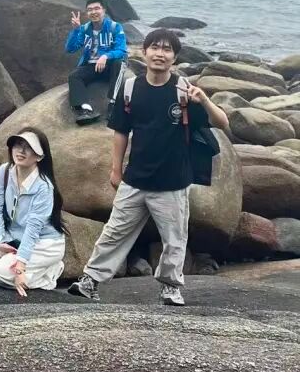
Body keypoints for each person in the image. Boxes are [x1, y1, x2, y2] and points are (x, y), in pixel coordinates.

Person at [68, 29, 229, 307]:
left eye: (167, 49)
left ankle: (170, 287)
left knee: (174, 239)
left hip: (172, 182)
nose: (160, 54)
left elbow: (222, 123)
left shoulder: (183, 91)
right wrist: (115, 169)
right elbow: (121, 131)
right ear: (144, 52)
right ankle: (90, 281)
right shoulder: (131, 88)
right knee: (114, 232)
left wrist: (204, 99)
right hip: (135, 179)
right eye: (155, 47)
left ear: (174, 58)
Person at [0, 128, 67, 296]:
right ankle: (10, 270)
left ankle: (48, 274)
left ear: (39, 156)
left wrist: (20, 266)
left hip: (42, 244)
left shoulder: (43, 187)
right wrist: (0, 239)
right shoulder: (5, 171)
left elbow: (33, 229)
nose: (21, 151)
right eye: (18, 145)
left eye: (29, 147)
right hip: (14, 237)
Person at [65, 0, 128, 124]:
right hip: (92, 67)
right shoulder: (85, 29)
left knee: (119, 63)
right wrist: (76, 30)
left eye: (97, 8)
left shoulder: (115, 27)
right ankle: (85, 110)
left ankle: (113, 105)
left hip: (110, 65)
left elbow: (122, 50)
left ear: (104, 10)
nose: (93, 12)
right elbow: (70, 49)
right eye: (90, 10)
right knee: (74, 76)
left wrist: (105, 56)